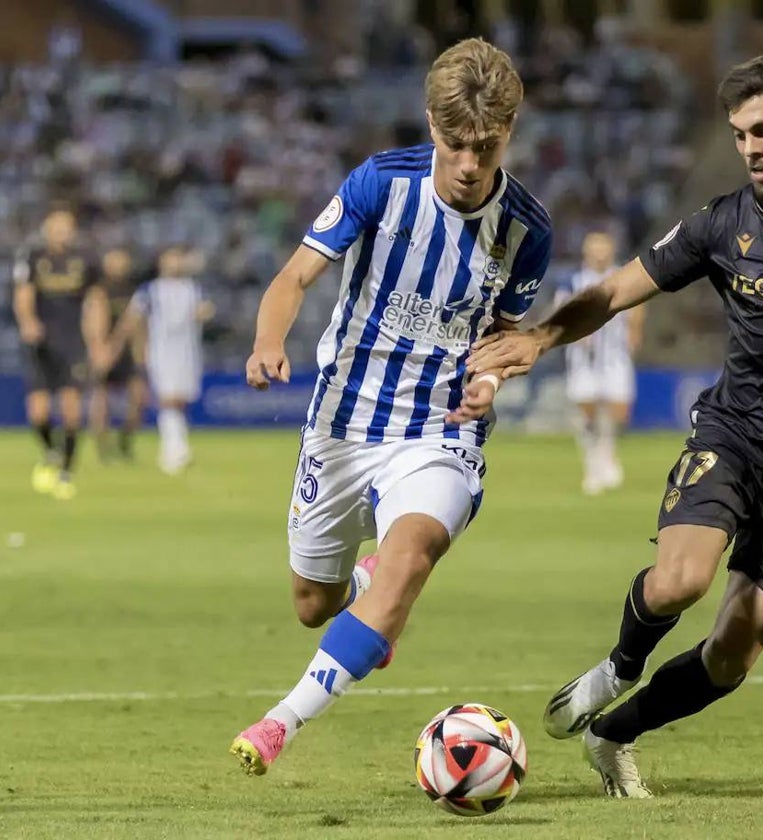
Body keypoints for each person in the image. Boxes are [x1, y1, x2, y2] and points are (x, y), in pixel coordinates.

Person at [468, 53, 763, 798]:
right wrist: (538, 338)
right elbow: (618, 289)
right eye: (739, 134)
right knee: (678, 581)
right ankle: (618, 668)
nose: (751, 148)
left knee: (733, 652)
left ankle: (613, 733)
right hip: (738, 436)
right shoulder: (722, 223)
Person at [227, 38, 551, 776]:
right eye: (458, 143)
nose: (471, 164)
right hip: (341, 423)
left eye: (488, 146)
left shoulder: (527, 230)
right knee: (315, 602)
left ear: (510, 133)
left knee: (410, 558)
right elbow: (295, 274)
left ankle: (281, 722)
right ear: (432, 126)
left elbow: (505, 334)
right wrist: (267, 341)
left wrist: (491, 383)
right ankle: (364, 587)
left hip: (438, 431)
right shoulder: (382, 183)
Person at [12, 208, 108, 500]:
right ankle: (51, 451)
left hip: (72, 342)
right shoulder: (33, 257)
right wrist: (28, 323)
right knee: (38, 411)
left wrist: (98, 342)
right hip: (41, 343)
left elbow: (96, 302)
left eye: (66, 227)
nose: (61, 232)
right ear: (46, 227)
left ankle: (66, 472)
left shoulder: (86, 261)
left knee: (70, 407)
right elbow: (23, 295)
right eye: (56, 226)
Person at [104, 246, 211, 475]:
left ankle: (175, 447)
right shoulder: (150, 290)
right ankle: (174, 450)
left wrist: (204, 313)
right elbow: (132, 318)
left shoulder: (193, 288)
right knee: (167, 399)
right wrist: (120, 344)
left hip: (188, 351)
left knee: (180, 400)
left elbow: (204, 310)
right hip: (161, 351)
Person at [560, 231, 645, 494]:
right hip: (583, 358)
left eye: (603, 248)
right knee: (586, 410)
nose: (599, 253)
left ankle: (607, 453)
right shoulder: (574, 280)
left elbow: (639, 303)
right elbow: (561, 310)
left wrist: (634, 332)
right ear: (586, 252)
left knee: (619, 411)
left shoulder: (622, 275)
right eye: (594, 248)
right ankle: (593, 466)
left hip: (615, 356)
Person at [90, 247, 147, 461]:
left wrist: (141, 351)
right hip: (105, 350)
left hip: (128, 354)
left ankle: (125, 441)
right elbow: (93, 323)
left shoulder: (134, 291)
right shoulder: (100, 290)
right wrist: (100, 350)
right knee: (101, 401)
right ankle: (103, 448)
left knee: (138, 398)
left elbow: (139, 324)